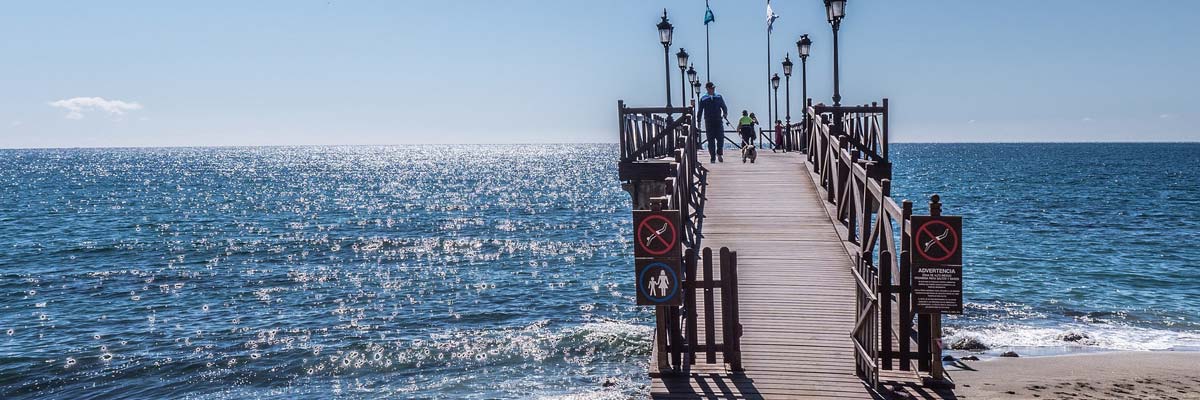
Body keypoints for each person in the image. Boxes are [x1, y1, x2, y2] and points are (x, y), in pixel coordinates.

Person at [697, 82, 728, 163]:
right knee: (711, 141)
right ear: (707, 88)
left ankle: (719, 153)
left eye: (713, 88)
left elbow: (724, 107)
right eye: (711, 88)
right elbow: (700, 111)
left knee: (720, 138)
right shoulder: (703, 98)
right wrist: (698, 121)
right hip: (709, 122)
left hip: (718, 120)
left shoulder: (719, 96)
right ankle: (713, 157)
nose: (713, 89)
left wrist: (725, 113)